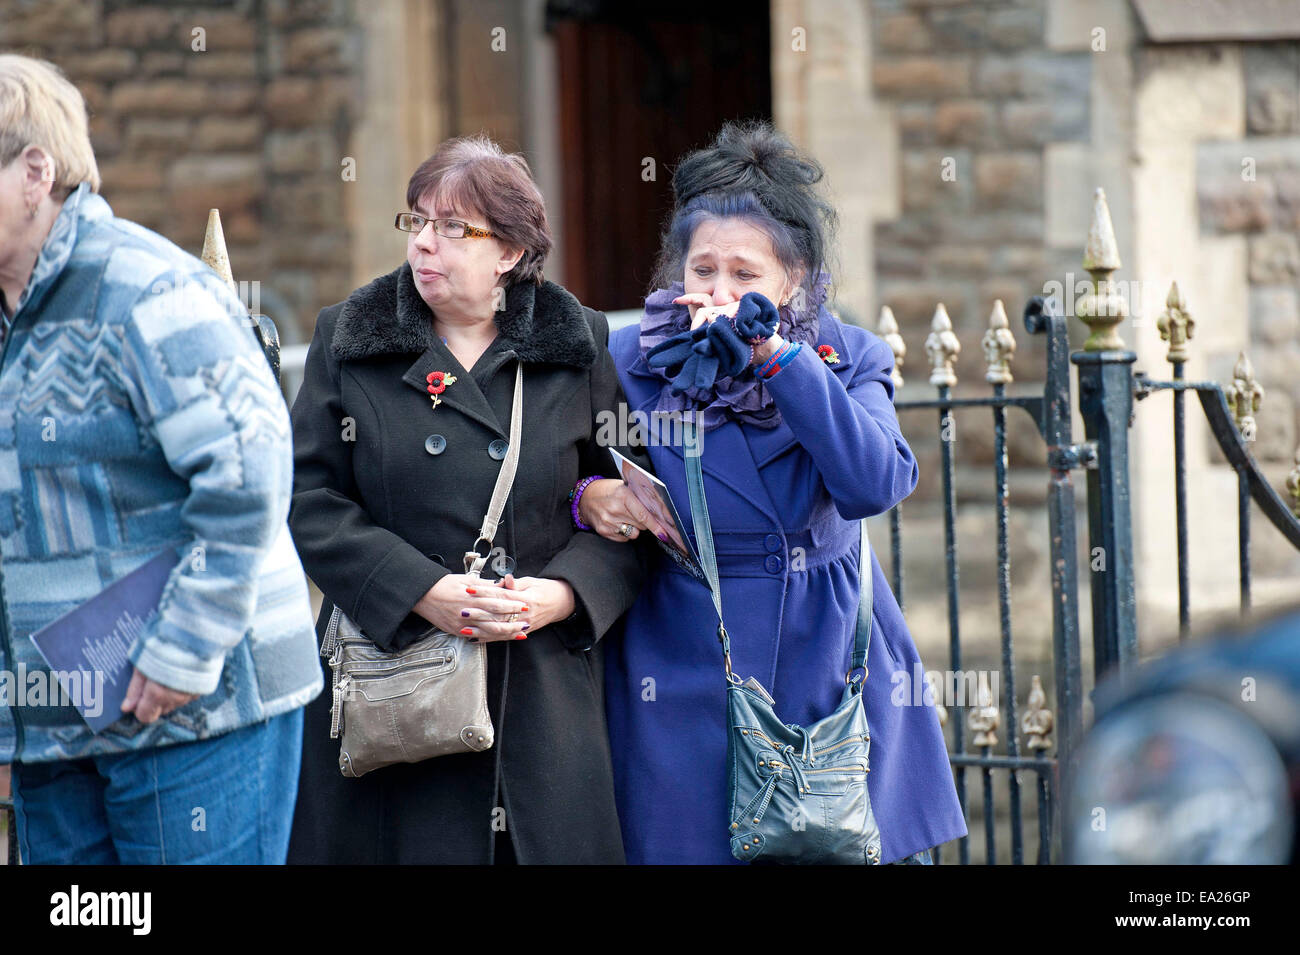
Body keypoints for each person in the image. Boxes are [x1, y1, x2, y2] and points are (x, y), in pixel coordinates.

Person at [578, 121, 968, 864]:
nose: (719, 293)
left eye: (744, 275)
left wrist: (779, 360)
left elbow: (874, 482)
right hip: (681, 654)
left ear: (794, 280)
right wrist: (589, 495)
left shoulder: (850, 356)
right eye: (703, 271)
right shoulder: (628, 360)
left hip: (823, 653)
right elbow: (561, 474)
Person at [286, 135, 651, 864]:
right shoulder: (349, 338)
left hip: (541, 701)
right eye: (417, 220)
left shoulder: (576, 342)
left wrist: (559, 596)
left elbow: (630, 511)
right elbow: (310, 499)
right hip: (393, 697)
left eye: (455, 228)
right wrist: (422, 591)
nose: (425, 243)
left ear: (510, 251)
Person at [0, 54, 320, 864]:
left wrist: (183, 649)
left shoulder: (145, 289)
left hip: (199, 703)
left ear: (35, 172)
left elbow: (251, 472)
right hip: (53, 722)